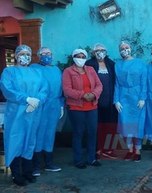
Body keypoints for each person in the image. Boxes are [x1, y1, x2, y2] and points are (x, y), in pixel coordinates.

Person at [0, 44, 48, 186]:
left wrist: (37, 101)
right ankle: (16, 174)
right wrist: (26, 99)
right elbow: (7, 89)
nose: (25, 57)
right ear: (16, 56)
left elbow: (44, 89)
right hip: (16, 113)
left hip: (33, 112)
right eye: (22, 54)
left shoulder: (37, 72)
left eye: (28, 54)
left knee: (29, 141)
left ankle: (28, 171)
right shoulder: (9, 72)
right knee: (16, 140)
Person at [62, 49, 103, 168]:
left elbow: (99, 85)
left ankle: (91, 158)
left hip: (92, 106)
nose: (80, 58)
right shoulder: (68, 71)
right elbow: (67, 89)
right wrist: (82, 95)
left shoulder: (90, 70)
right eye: (78, 56)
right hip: (76, 107)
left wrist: (94, 94)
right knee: (78, 133)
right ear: (73, 57)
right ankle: (78, 160)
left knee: (92, 132)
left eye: (83, 56)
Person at [30, 47, 63, 177]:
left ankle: (49, 163)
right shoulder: (34, 68)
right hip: (40, 104)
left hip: (54, 105)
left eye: (49, 53)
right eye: (43, 54)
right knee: (38, 133)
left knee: (50, 134)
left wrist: (61, 104)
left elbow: (60, 89)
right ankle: (36, 166)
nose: (47, 55)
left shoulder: (56, 70)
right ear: (39, 56)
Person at [114, 41, 147, 161]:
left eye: (126, 47)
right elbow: (116, 84)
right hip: (123, 97)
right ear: (119, 51)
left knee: (138, 124)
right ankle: (129, 150)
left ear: (131, 48)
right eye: (122, 48)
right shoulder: (117, 65)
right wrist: (116, 100)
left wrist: (143, 98)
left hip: (137, 96)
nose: (125, 50)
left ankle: (137, 150)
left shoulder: (140, 63)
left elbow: (144, 81)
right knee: (126, 125)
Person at [85, 43, 118, 159]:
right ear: (93, 53)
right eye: (97, 50)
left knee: (110, 126)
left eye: (102, 50)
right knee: (95, 126)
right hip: (95, 102)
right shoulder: (89, 64)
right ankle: (96, 150)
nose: (100, 52)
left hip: (110, 101)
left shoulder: (111, 64)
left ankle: (109, 150)